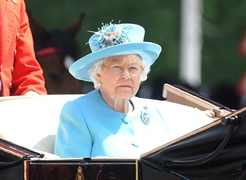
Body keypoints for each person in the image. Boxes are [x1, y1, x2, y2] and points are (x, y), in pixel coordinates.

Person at [54, 23, 171, 158]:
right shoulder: (78, 112)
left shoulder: (154, 112)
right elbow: (69, 174)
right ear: (98, 74)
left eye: (133, 68)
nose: (126, 76)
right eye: (116, 67)